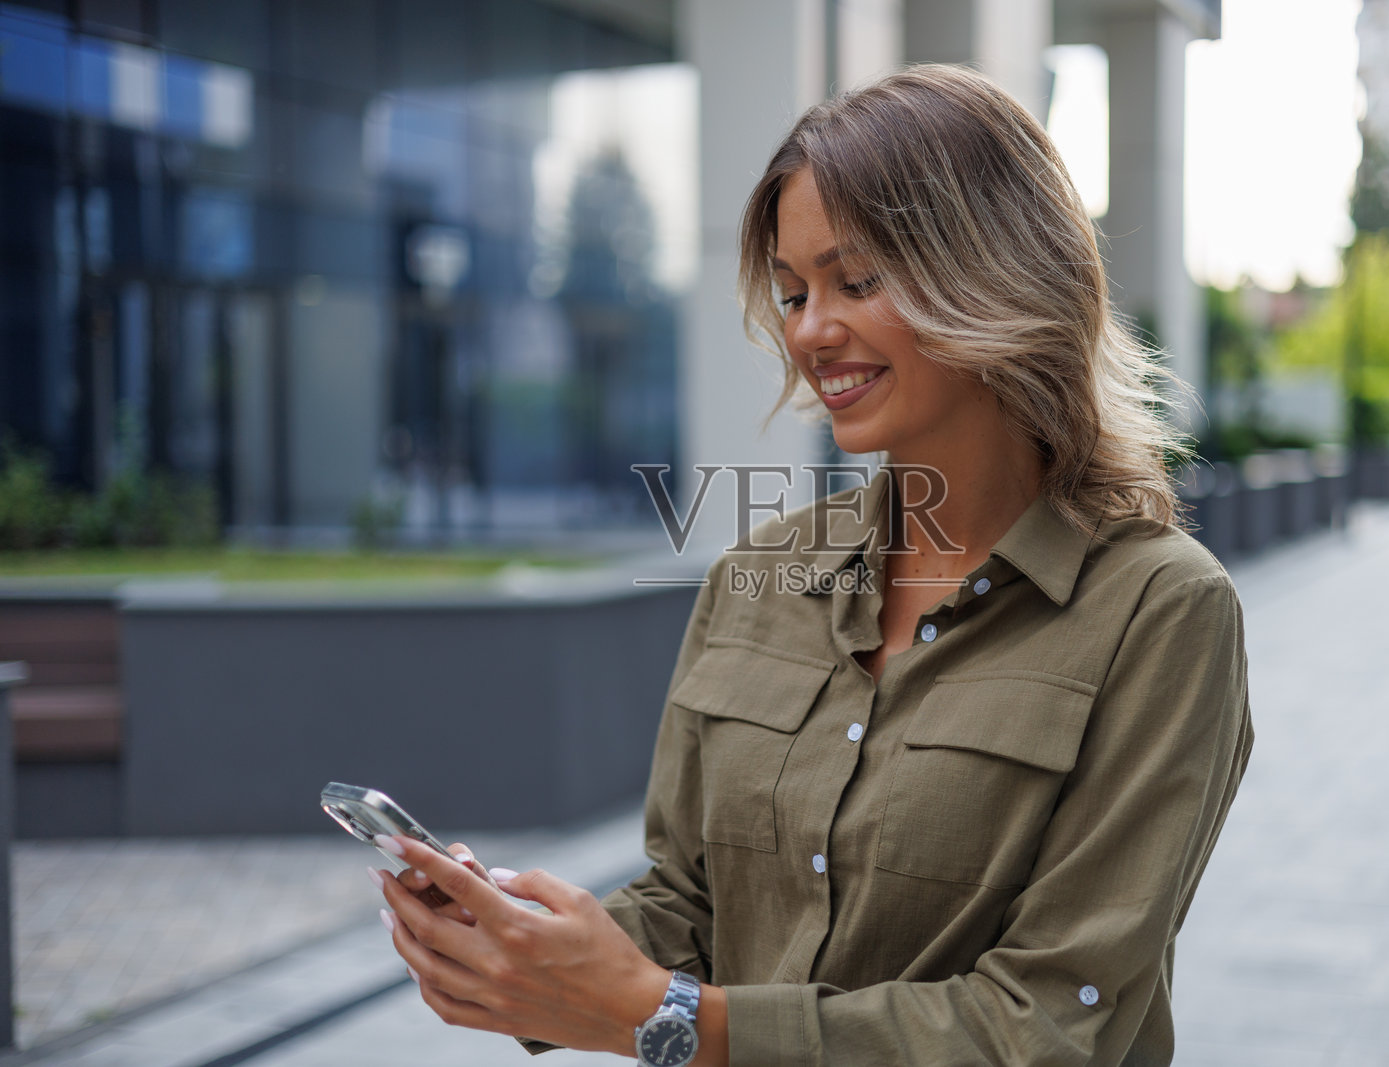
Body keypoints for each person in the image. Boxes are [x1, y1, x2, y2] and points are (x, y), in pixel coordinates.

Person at [371, 63, 1253, 1066]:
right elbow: (690, 902)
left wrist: (666, 1021)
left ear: (997, 269)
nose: (808, 330)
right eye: (792, 292)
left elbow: (1047, 1023)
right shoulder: (759, 573)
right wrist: (526, 951)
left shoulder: (1161, 612)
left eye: (857, 280)